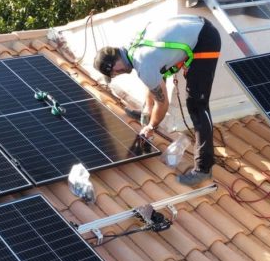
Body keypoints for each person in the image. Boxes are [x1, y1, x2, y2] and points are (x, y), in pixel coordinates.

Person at [93, 14, 221, 186]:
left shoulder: (142, 63)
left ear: (113, 65)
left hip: (205, 40)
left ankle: (203, 168)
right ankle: (147, 111)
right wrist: (148, 108)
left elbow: (163, 102)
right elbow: (152, 78)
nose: (116, 76)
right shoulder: (130, 47)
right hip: (196, 25)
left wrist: (151, 127)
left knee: (197, 105)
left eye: (113, 73)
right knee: (157, 89)